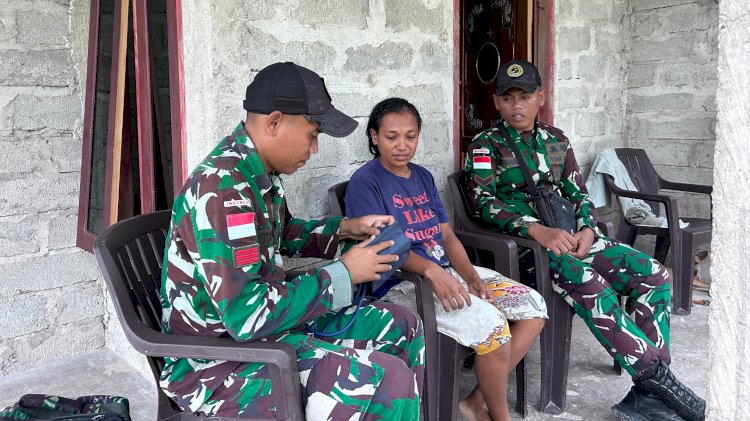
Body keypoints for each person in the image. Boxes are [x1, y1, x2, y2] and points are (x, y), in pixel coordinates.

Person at [160, 62, 425, 420]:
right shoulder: (224, 190)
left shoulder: (255, 172)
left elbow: (282, 233)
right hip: (218, 363)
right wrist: (344, 273)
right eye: (312, 134)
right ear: (274, 122)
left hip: (271, 329)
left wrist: (347, 229)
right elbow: (247, 316)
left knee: (403, 325)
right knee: (389, 382)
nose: (314, 149)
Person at [463, 59, 705, 421]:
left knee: (654, 274)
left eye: (525, 96)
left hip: (571, 238)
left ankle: (648, 393)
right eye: (508, 97)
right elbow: (483, 204)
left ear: (540, 97)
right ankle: (659, 382)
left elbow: (578, 194)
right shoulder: (486, 145)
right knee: (590, 282)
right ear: (497, 101)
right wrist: (534, 230)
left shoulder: (556, 140)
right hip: (526, 251)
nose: (517, 105)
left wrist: (589, 229)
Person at [345, 97, 547, 421]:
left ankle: (476, 402)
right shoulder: (366, 183)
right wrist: (431, 271)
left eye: (410, 136)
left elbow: (446, 235)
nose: (402, 145)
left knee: (533, 307)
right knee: (493, 327)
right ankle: (501, 417)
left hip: (444, 271)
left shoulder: (422, 177)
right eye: (391, 136)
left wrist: (471, 276)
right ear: (374, 136)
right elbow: (381, 249)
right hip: (401, 285)